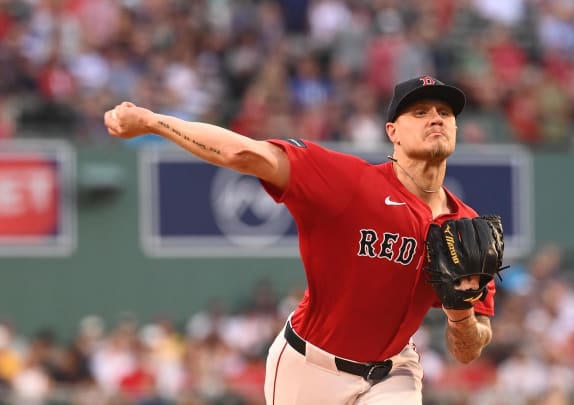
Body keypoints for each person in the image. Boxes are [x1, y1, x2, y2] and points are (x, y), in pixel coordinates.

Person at [104, 75, 496, 404]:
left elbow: (468, 350)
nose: (436, 119)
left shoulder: (467, 229)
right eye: (421, 112)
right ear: (392, 131)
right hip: (310, 367)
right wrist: (153, 122)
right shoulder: (349, 182)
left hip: (393, 372)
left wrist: (459, 312)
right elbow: (245, 154)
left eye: (445, 113)